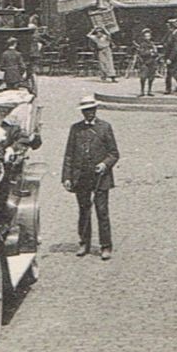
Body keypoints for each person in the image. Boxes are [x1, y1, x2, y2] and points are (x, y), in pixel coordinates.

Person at [62, 97, 119, 259]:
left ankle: (106, 246)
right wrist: (66, 177)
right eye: (86, 111)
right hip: (81, 177)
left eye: (91, 110)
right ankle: (84, 243)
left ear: (96, 110)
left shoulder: (105, 128)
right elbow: (69, 155)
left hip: (101, 177)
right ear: (82, 112)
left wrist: (104, 164)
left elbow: (114, 153)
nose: (89, 113)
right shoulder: (75, 129)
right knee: (84, 211)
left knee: (102, 211)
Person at [161, 18, 177, 94]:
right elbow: (163, 41)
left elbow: (176, 48)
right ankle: (168, 89)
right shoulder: (170, 34)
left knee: (175, 73)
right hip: (169, 56)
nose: (168, 27)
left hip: (176, 57)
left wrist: (170, 58)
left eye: (169, 26)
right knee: (169, 73)